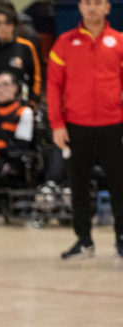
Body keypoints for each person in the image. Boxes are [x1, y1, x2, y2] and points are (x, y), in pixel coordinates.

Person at [48, 0, 123, 260]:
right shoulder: (64, 43)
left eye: (97, 2)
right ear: (79, 7)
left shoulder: (119, 42)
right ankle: (84, 241)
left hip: (114, 125)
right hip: (75, 126)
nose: (92, 7)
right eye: (87, 2)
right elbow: (54, 86)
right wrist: (57, 124)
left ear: (107, 7)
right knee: (78, 185)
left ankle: (121, 239)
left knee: (119, 184)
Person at [0, 2, 42, 103]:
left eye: (7, 23)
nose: (3, 27)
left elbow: (36, 78)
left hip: (19, 105)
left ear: (14, 25)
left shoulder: (26, 47)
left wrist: (33, 100)